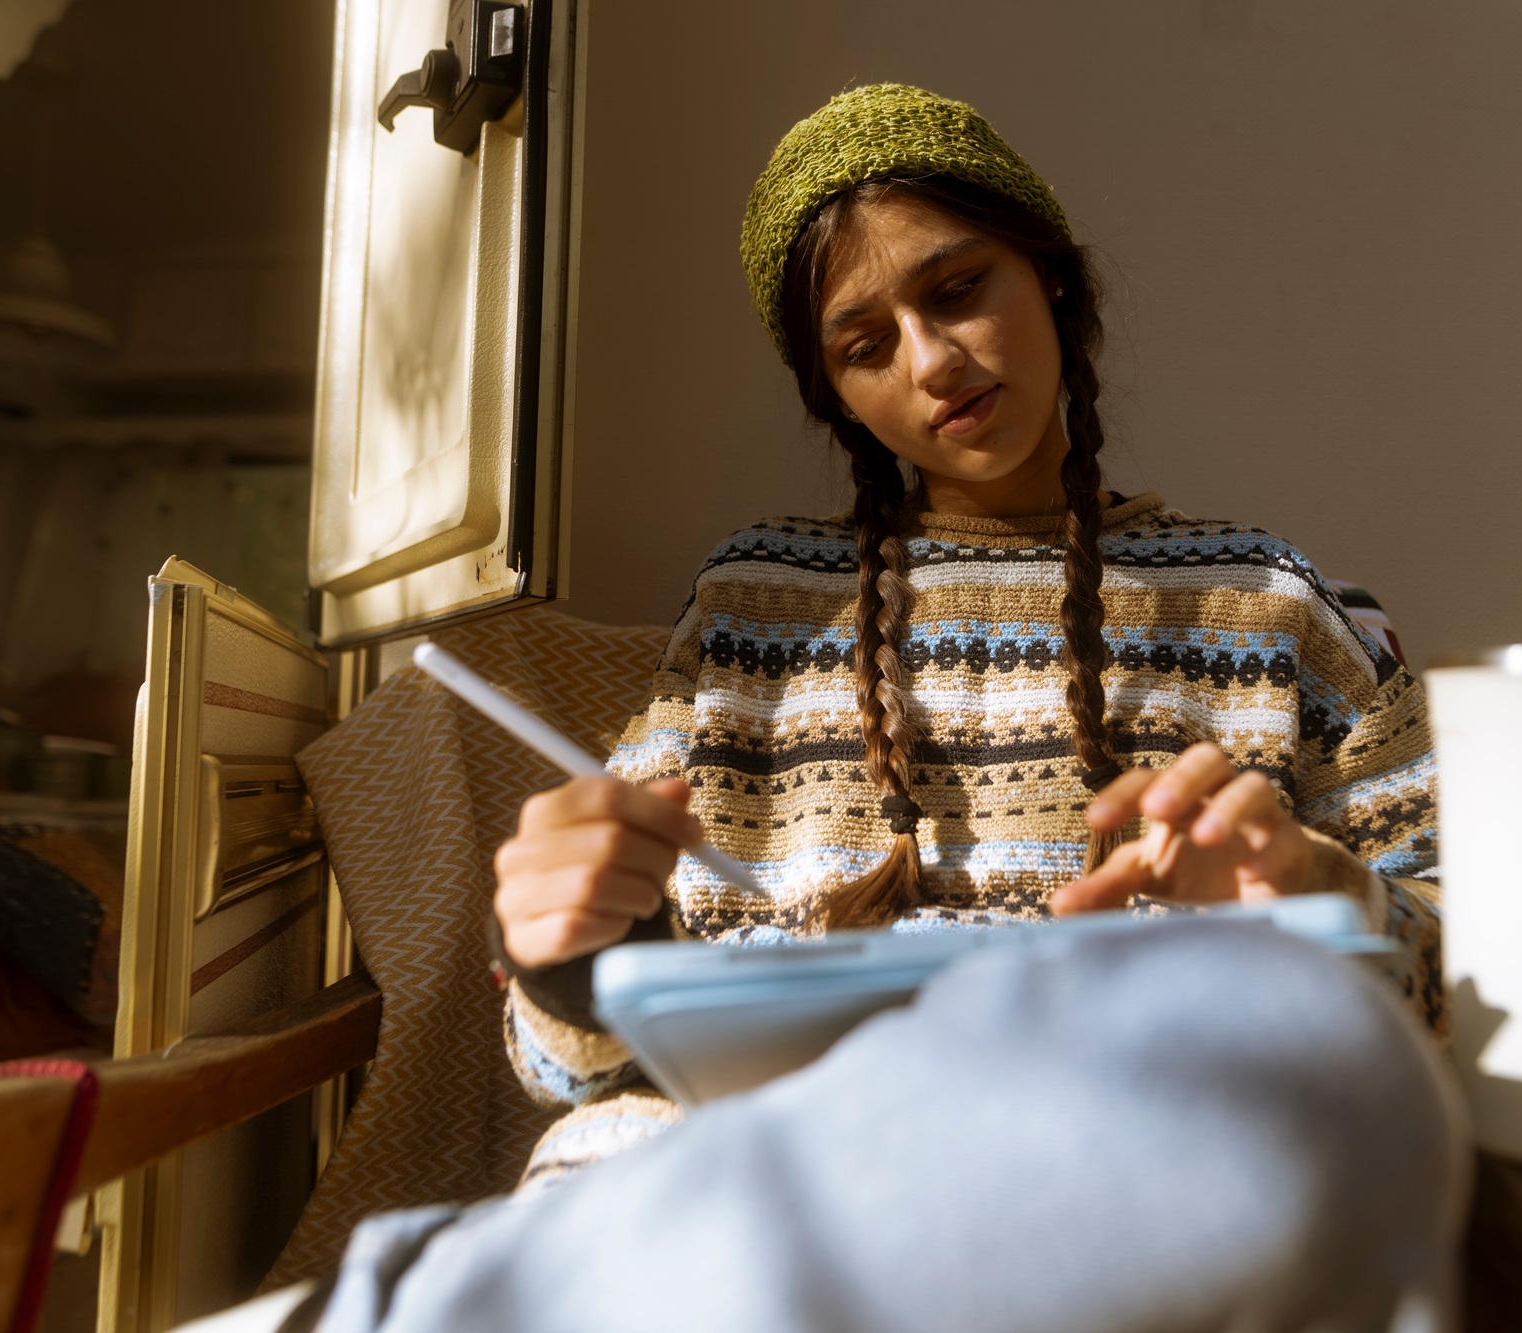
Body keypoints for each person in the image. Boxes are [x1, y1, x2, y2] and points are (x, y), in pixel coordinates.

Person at [488, 83, 1445, 1188]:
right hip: (776, 1164)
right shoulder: (750, 607)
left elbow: (1460, 974)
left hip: (1128, 1148)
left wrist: (1323, 900)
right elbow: (575, 1071)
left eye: (955, 289)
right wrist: (566, 958)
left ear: (1049, 270)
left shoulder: (1271, 602)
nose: (931, 360)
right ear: (837, 396)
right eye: (863, 345)